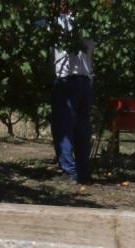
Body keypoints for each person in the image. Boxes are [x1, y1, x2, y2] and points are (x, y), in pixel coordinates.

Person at [50, 4, 95, 184]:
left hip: (67, 82)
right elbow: (91, 55)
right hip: (85, 82)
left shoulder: (58, 22)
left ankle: (69, 173)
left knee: (64, 129)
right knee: (82, 130)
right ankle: (84, 173)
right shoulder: (89, 24)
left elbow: (32, 24)